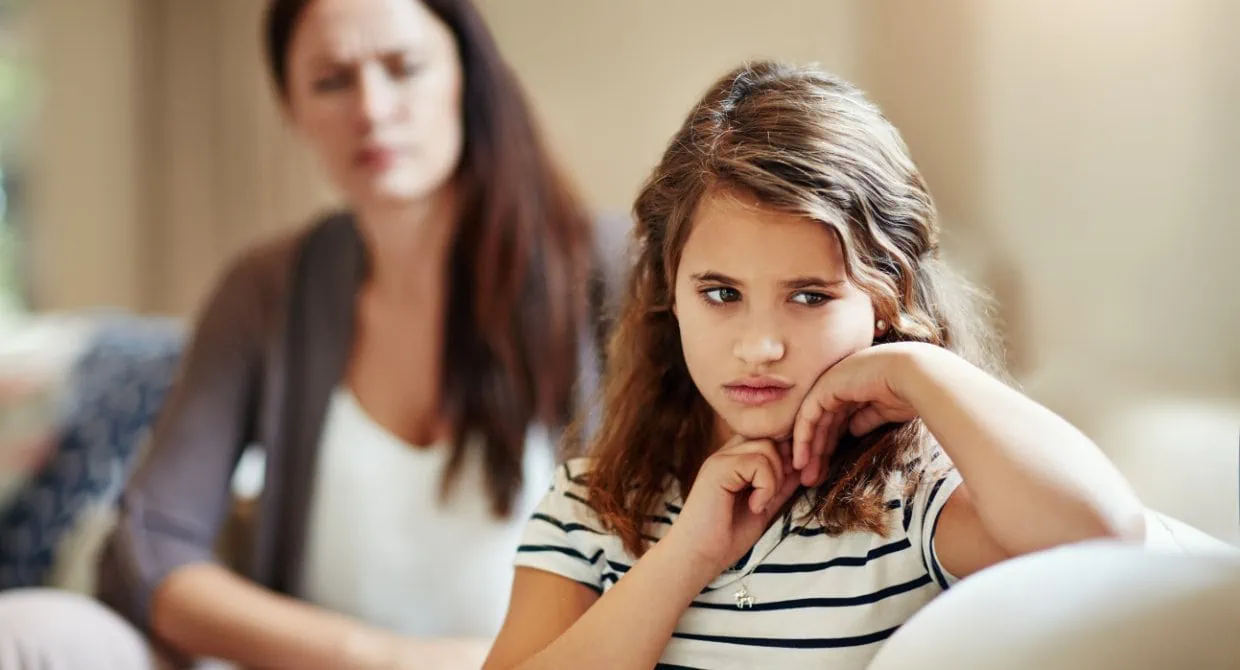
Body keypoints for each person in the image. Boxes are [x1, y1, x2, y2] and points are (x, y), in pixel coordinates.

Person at [0, 0, 621, 668]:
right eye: (332, 81)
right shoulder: (264, 289)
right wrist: (386, 660)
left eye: (404, 68)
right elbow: (150, 548)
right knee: (27, 630)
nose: (372, 108)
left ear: (468, 79)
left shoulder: (613, 270)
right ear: (292, 111)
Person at [481, 61, 1147, 670]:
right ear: (669, 292)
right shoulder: (593, 506)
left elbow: (1105, 535)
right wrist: (687, 555)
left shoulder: (910, 506)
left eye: (810, 296)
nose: (760, 345)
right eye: (721, 294)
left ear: (886, 297)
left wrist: (921, 372)